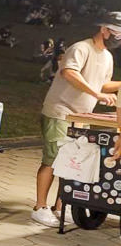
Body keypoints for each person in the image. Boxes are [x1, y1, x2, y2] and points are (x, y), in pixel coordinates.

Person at [32, 15, 121, 227]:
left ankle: (61, 208)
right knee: (53, 160)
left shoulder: (107, 56)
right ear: (104, 29)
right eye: (117, 32)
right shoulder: (81, 48)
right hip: (60, 111)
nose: (119, 37)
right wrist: (97, 95)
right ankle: (39, 207)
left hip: (82, 116)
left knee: (73, 163)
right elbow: (69, 72)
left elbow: (103, 83)